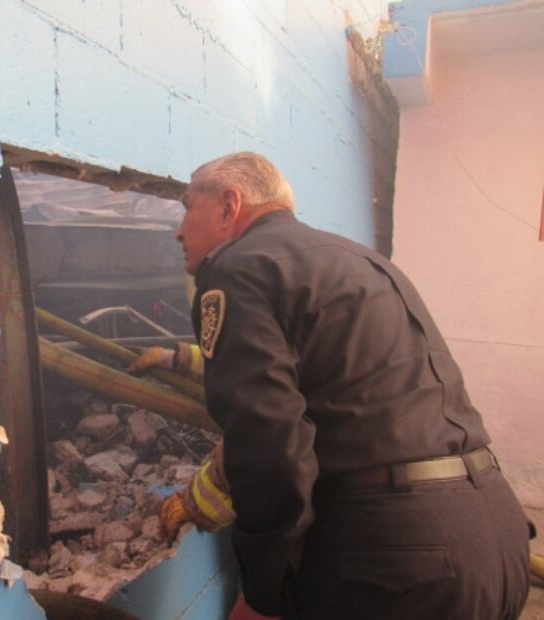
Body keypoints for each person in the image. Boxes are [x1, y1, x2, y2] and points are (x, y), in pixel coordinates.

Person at [135, 152, 531, 619]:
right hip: (496, 538)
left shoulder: (239, 268)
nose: (179, 231)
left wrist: (264, 592)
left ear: (228, 206)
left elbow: (268, 447)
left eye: (187, 207)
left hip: (398, 566)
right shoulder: (358, 260)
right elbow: (326, 383)